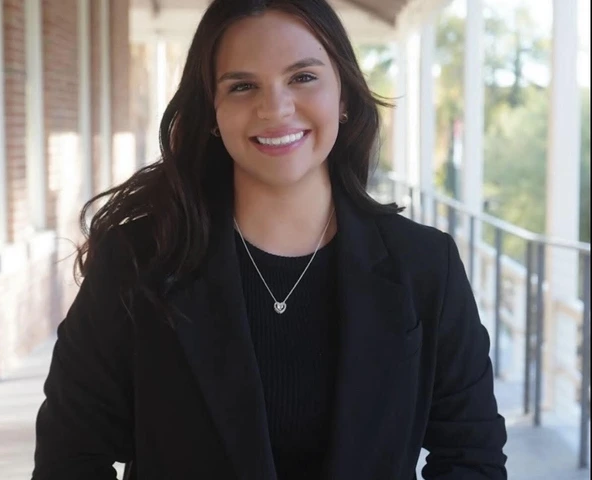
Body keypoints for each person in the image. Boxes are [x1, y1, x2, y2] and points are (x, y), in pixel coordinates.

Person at [32, 0, 508, 478]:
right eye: (242, 86)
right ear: (213, 113)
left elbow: (472, 456)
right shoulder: (139, 259)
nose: (275, 108)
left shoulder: (425, 264)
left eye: (303, 77)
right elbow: (69, 455)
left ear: (343, 97)